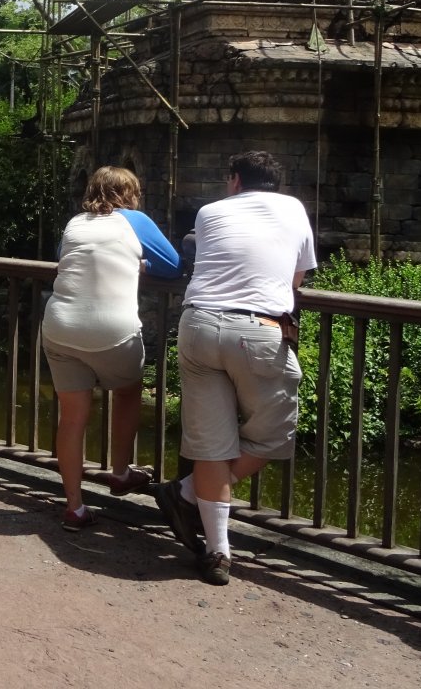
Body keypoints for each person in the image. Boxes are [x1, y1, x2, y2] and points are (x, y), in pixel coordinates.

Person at [152, 150, 316, 585]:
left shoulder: (210, 212)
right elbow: (297, 280)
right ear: (274, 183)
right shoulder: (294, 209)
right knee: (275, 430)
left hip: (199, 324)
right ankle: (184, 493)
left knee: (209, 444)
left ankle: (218, 551)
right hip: (257, 330)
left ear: (235, 180)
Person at [41, 166, 182, 530]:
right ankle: (120, 473)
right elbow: (172, 265)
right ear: (129, 194)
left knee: (72, 417)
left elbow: (66, 259)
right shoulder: (133, 220)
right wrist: (142, 263)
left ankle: (74, 508)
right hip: (111, 331)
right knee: (127, 391)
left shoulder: (76, 222)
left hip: (60, 326)